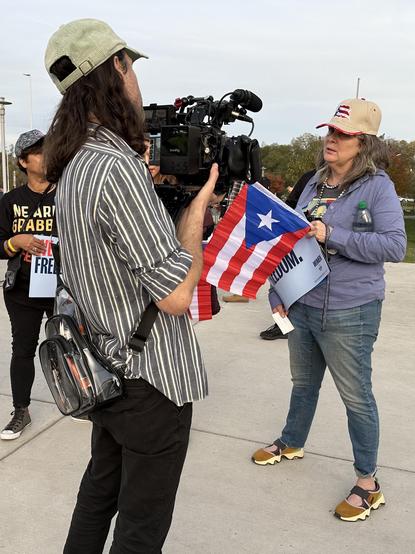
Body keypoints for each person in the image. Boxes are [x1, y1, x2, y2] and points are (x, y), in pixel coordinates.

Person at [43, 18, 218, 553]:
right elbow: (177, 294)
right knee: (141, 526)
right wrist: (197, 210)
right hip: (150, 382)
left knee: (99, 495)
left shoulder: (74, 166)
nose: (137, 79)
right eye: (131, 65)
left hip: (109, 369)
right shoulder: (114, 167)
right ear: (114, 69)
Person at [252, 98, 407, 522]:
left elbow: (395, 246)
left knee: (356, 398)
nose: (331, 139)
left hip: (350, 311)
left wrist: (333, 234)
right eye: (331, 131)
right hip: (302, 305)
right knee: (303, 384)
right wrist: (279, 290)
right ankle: (292, 441)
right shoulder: (314, 182)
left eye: (343, 134)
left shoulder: (377, 188)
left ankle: (368, 483)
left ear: (365, 143)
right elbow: (292, 240)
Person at [0, 130, 56, 440]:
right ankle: (21, 410)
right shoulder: (10, 201)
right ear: (23, 161)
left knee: (72, 345)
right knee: (22, 349)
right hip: (22, 289)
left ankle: (83, 401)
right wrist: (15, 241)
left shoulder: (67, 194)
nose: (47, 156)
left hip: (62, 287)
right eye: (39, 152)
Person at [259, 169, 317, 340]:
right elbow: (290, 204)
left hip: (319, 242)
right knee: (280, 279)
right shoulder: (310, 178)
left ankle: (299, 324)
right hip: (297, 235)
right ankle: (281, 325)